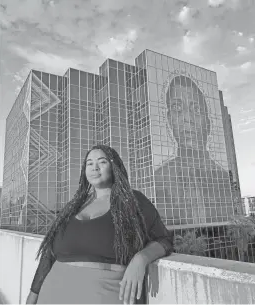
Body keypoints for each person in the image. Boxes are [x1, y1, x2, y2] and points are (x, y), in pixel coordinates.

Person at [26, 144, 173, 304]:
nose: (94, 167)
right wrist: (33, 296)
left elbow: (164, 240)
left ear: (114, 166)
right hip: (51, 296)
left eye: (102, 162)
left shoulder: (133, 201)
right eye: (89, 163)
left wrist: (141, 258)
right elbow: (49, 254)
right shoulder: (73, 206)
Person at [154, 75, 232, 225]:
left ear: (207, 123)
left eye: (196, 109)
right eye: (177, 108)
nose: (187, 118)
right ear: (170, 120)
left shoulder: (222, 177)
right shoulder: (160, 178)